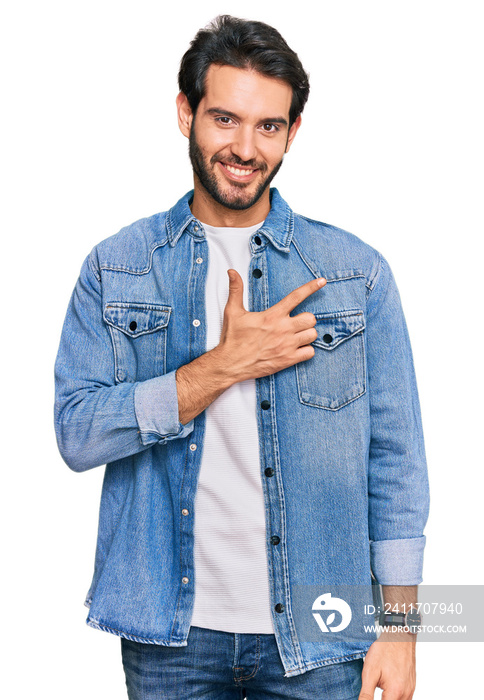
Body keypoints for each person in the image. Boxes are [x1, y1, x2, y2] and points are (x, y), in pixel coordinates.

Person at [54, 14, 430, 700]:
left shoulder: (355, 274)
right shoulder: (119, 268)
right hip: (172, 633)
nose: (246, 147)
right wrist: (223, 365)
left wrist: (402, 630)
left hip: (323, 629)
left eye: (269, 126)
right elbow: (77, 434)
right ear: (185, 113)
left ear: (292, 132)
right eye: (225, 119)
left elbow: (397, 465)